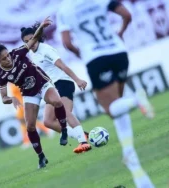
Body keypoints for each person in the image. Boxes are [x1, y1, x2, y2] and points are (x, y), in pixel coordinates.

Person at [57, 0, 155, 187]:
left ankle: (135, 100)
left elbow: (67, 43)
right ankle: (129, 155)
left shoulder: (65, 8)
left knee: (111, 109)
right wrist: (119, 33)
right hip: (119, 52)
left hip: (96, 57)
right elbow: (127, 15)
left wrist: (81, 53)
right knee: (118, 107)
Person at [0, 17, 69, 169]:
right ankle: (41, 156)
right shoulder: (0, 75)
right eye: (4, 59)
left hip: (42, 84)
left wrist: (42, 26)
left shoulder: (17, 53)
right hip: (29, 94)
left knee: (57, 101)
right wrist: (11, 99)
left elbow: (33, 39)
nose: (8, 59)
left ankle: (64, 131)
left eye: (7, 55)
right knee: (30, 126)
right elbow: (3, 98)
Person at [20, 24, 91, 153]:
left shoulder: (46, 50)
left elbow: (62, 66)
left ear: (37, 37)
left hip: (63, 82)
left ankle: (84, 142)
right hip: (51, 88)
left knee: (65, 113)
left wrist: (77, 79)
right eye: (26, 42)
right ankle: (83, 135)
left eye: (31, 39)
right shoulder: (32, 55)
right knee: (48, 121)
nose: (30, 43)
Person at [10, 84, 52, 149]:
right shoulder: (10, 82)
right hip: (19, 104)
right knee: (24, 122)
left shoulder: (16, 81)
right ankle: (27, 140)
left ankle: (46, 130)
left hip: (22, 103)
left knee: (27, 121)